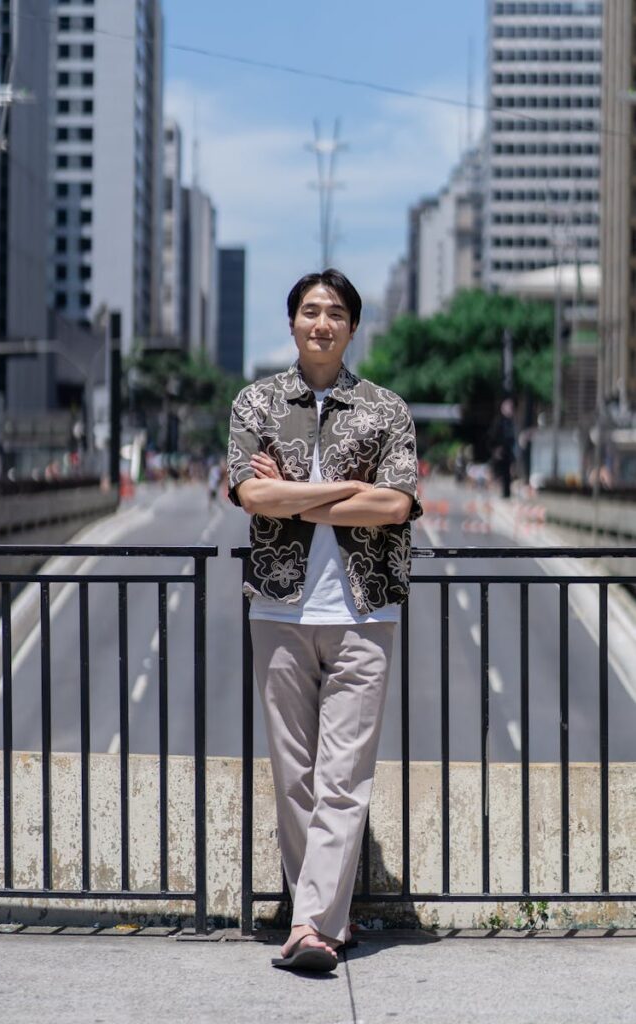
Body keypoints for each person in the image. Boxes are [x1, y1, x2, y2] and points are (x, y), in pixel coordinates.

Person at [227, 269, 422, 972]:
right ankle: (326, 923)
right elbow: (251, 494)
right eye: (310, 311)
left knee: (343, 777)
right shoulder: (255, 402)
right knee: (294, 776)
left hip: (366, 611)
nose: (321, 322)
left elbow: (396, 505)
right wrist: (347, 489)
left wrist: (295, 495)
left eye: (334, 312)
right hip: (277, 607)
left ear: (351, 326)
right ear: (291, 323)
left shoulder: (385, 409)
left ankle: (307, 926)